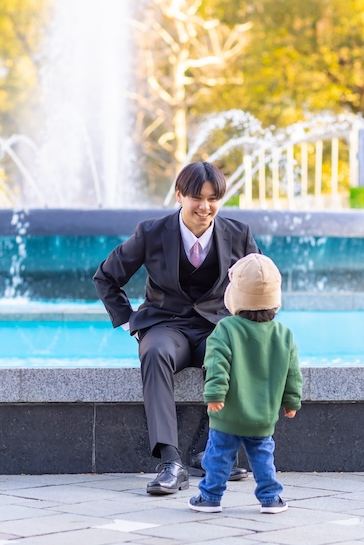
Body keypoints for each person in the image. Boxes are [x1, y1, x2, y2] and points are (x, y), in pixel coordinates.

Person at [93, 161, 260, 495]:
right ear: (180, 195)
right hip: (165, 325)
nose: (205, 206)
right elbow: (107, 277)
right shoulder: (152, 232)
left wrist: (249, 328)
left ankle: (209, 454)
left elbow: (259, 283)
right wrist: (128, 321)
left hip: (216, 326)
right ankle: (171, 462)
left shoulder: (238, 233)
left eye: (214, 198)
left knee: (235, 351)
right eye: (197, 197)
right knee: (153, 352)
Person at [188, 253, 303, 514]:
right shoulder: (283, 334)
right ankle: (271, 498)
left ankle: (210, 497)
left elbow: (217, 365)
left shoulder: (226, 329)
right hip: (263, 416)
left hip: (227, 414)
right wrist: (291, 402)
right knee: (263, 459)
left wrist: (215, 395)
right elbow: (292, 374)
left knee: (217, 457)